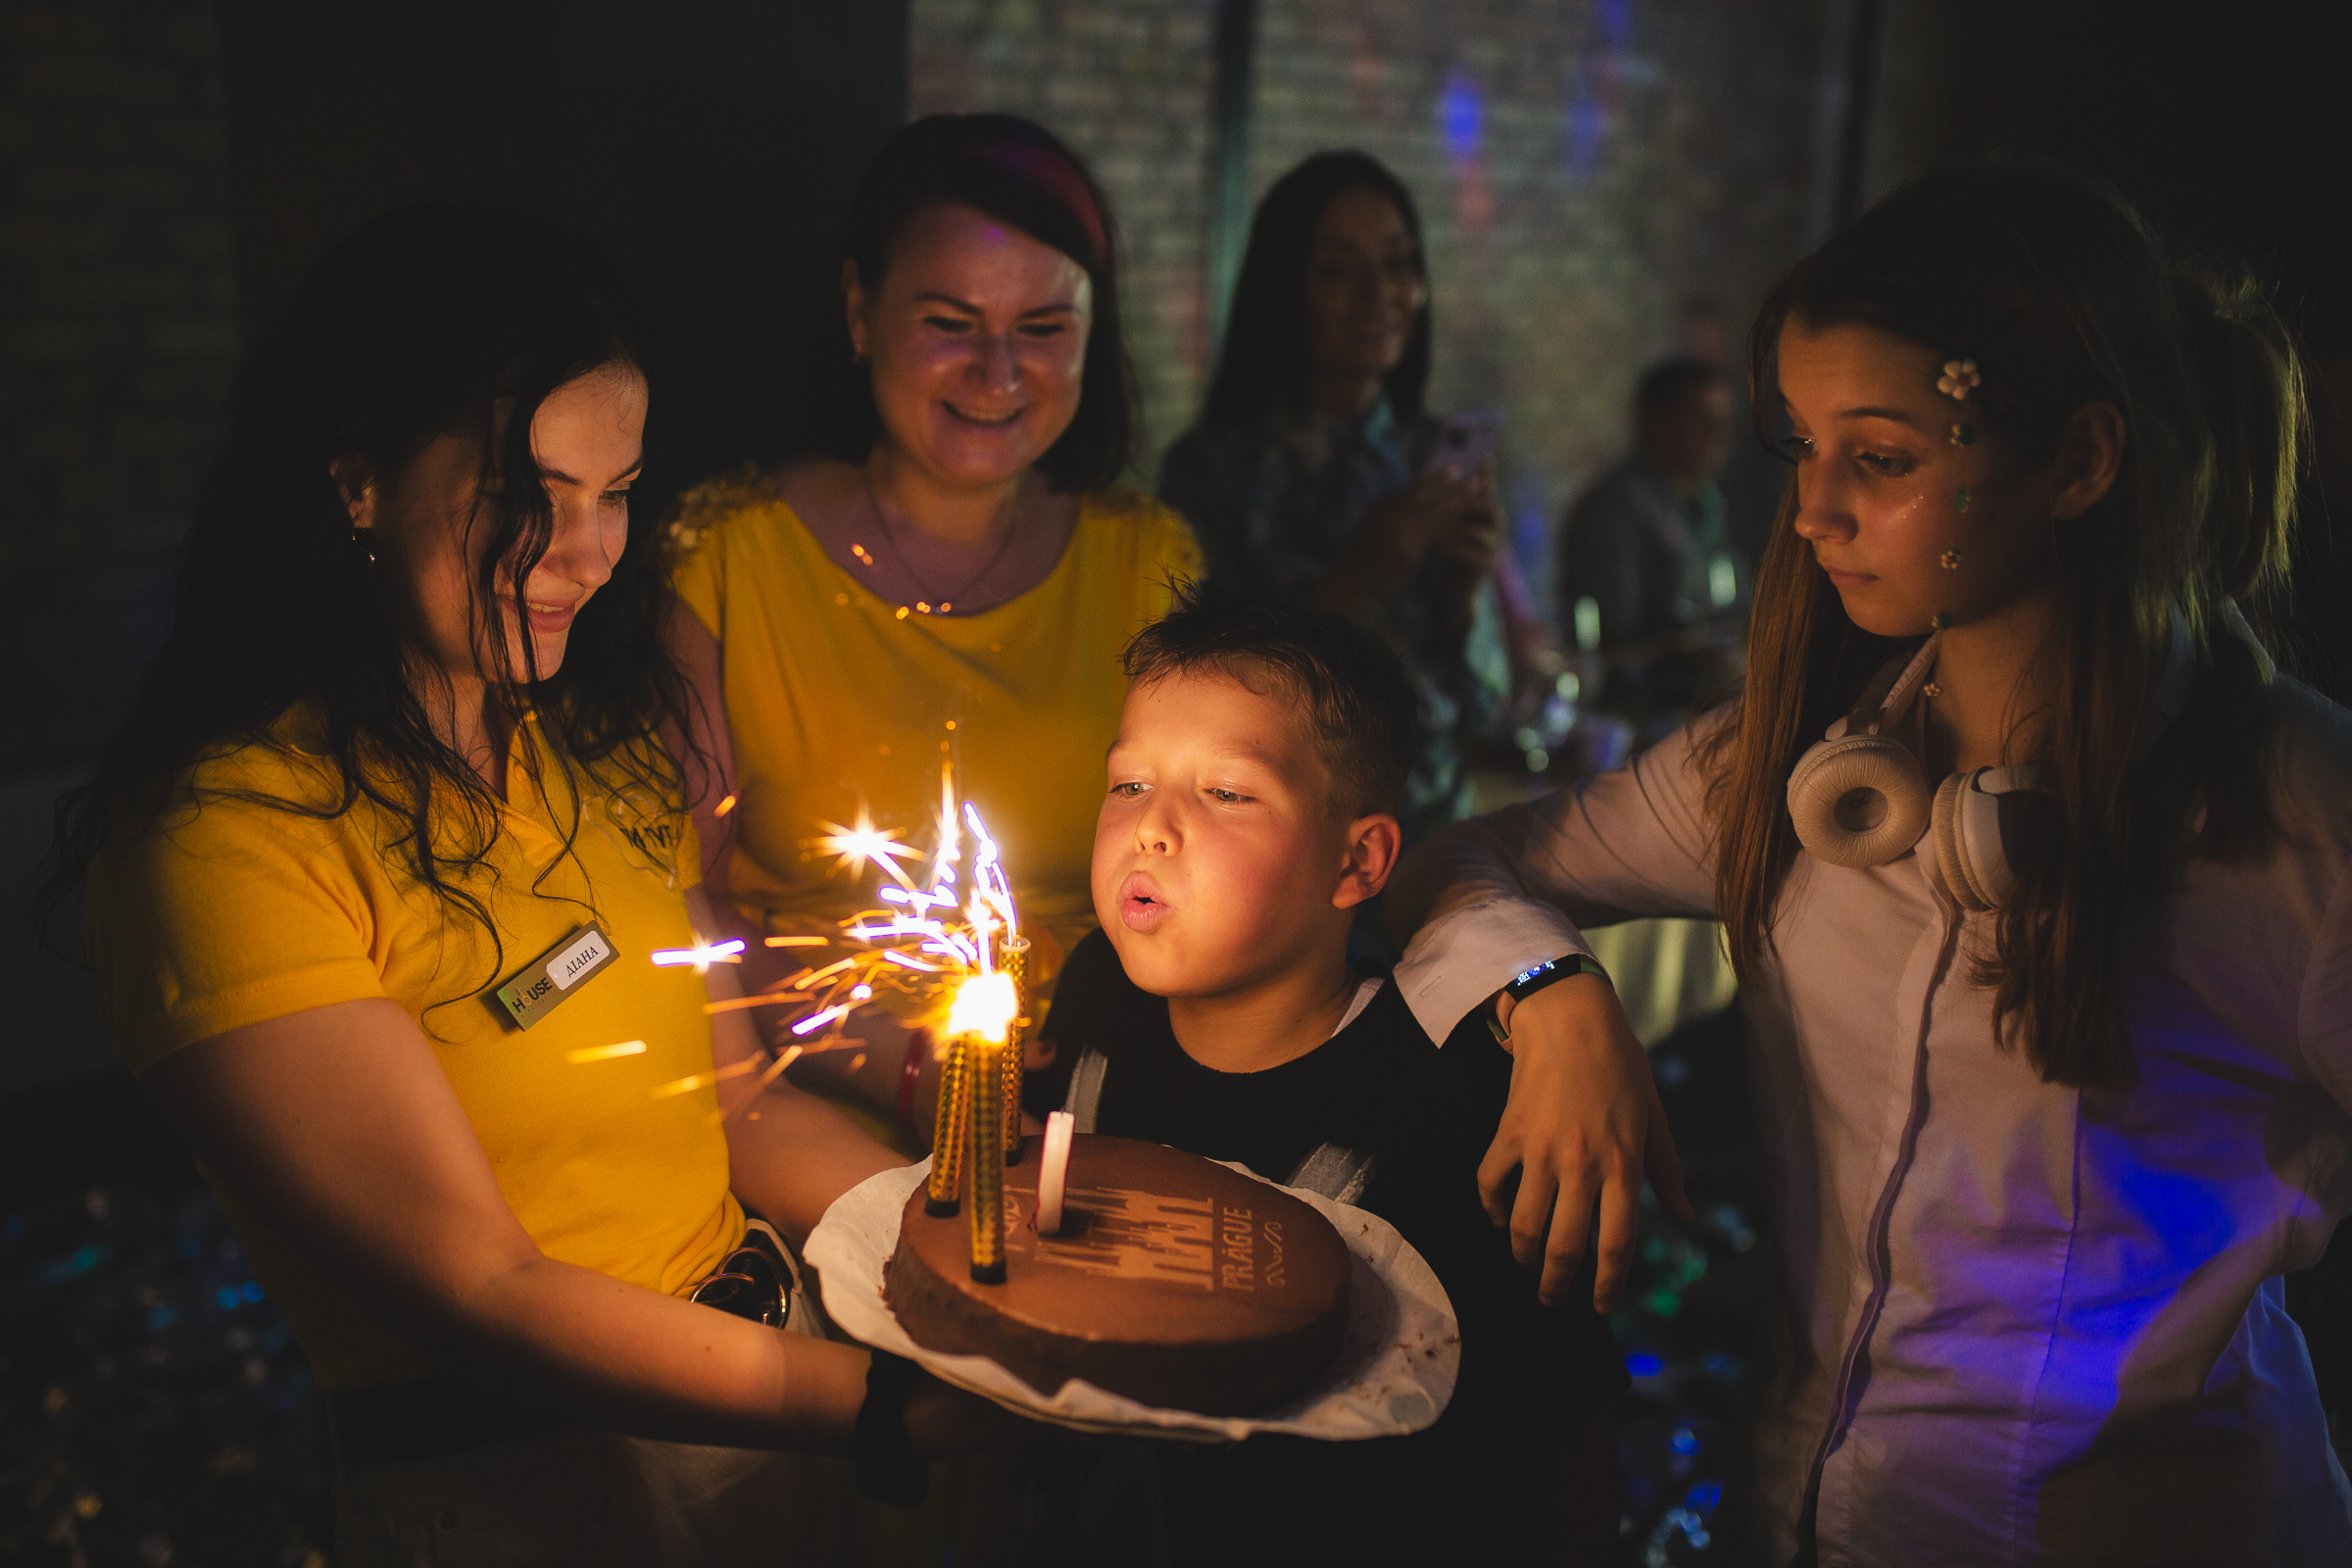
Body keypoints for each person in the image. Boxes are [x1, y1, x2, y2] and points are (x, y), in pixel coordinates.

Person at [1385, 163, 2352, 1564]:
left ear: (2079, 462)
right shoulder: (1793, 766)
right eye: (1801, 446)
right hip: (1797, 1508)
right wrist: (1550, 995)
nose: (1810, 511)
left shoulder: (2296, 820)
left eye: (1882, 460)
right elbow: (1448, 860)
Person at [55, 205, 977, 1564]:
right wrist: (886, 1408)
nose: (588, 554)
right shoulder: (232, 842)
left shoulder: (589, 754)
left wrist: (967, 1234)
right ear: (359, 482)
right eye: (530, 497)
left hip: (781, 1394)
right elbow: (483, 1289)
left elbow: (740, 1102)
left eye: (617, 494)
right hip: (540, 1488)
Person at [1023, 593, 1624, 1564]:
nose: (1151, 829)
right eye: (1129, 783)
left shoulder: (1457, 1098)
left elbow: (1558, 1421)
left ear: (1357, 861)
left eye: (1226, 793)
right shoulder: (1096, 988)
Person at [665, 115, 1201, 1107]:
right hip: (809, 1100)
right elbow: (677, 904)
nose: (998, 373)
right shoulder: (729, 555)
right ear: (861, 312)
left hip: (1101, 1094)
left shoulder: (1146, 564)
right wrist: (911, 1071)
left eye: (1043, 329)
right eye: (951, 324)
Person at [1158, 150, 1535, 850]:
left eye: (1397, 263)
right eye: (1336, 270)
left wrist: (1462, 595)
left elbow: (1485, 707)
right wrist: (1356, 579)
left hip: (1436, 842)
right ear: (1285, 288)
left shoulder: (1431, 455)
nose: (1378, 293)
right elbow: (1203, 707)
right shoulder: (1214, 470)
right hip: (1277, 850)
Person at [1557, 354, 1740, 651]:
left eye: (1723, 422)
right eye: (1701, 420)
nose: (1717, 434)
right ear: (1654, 421)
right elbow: (1612, 636)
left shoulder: (1706, 501)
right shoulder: (1615, 510)